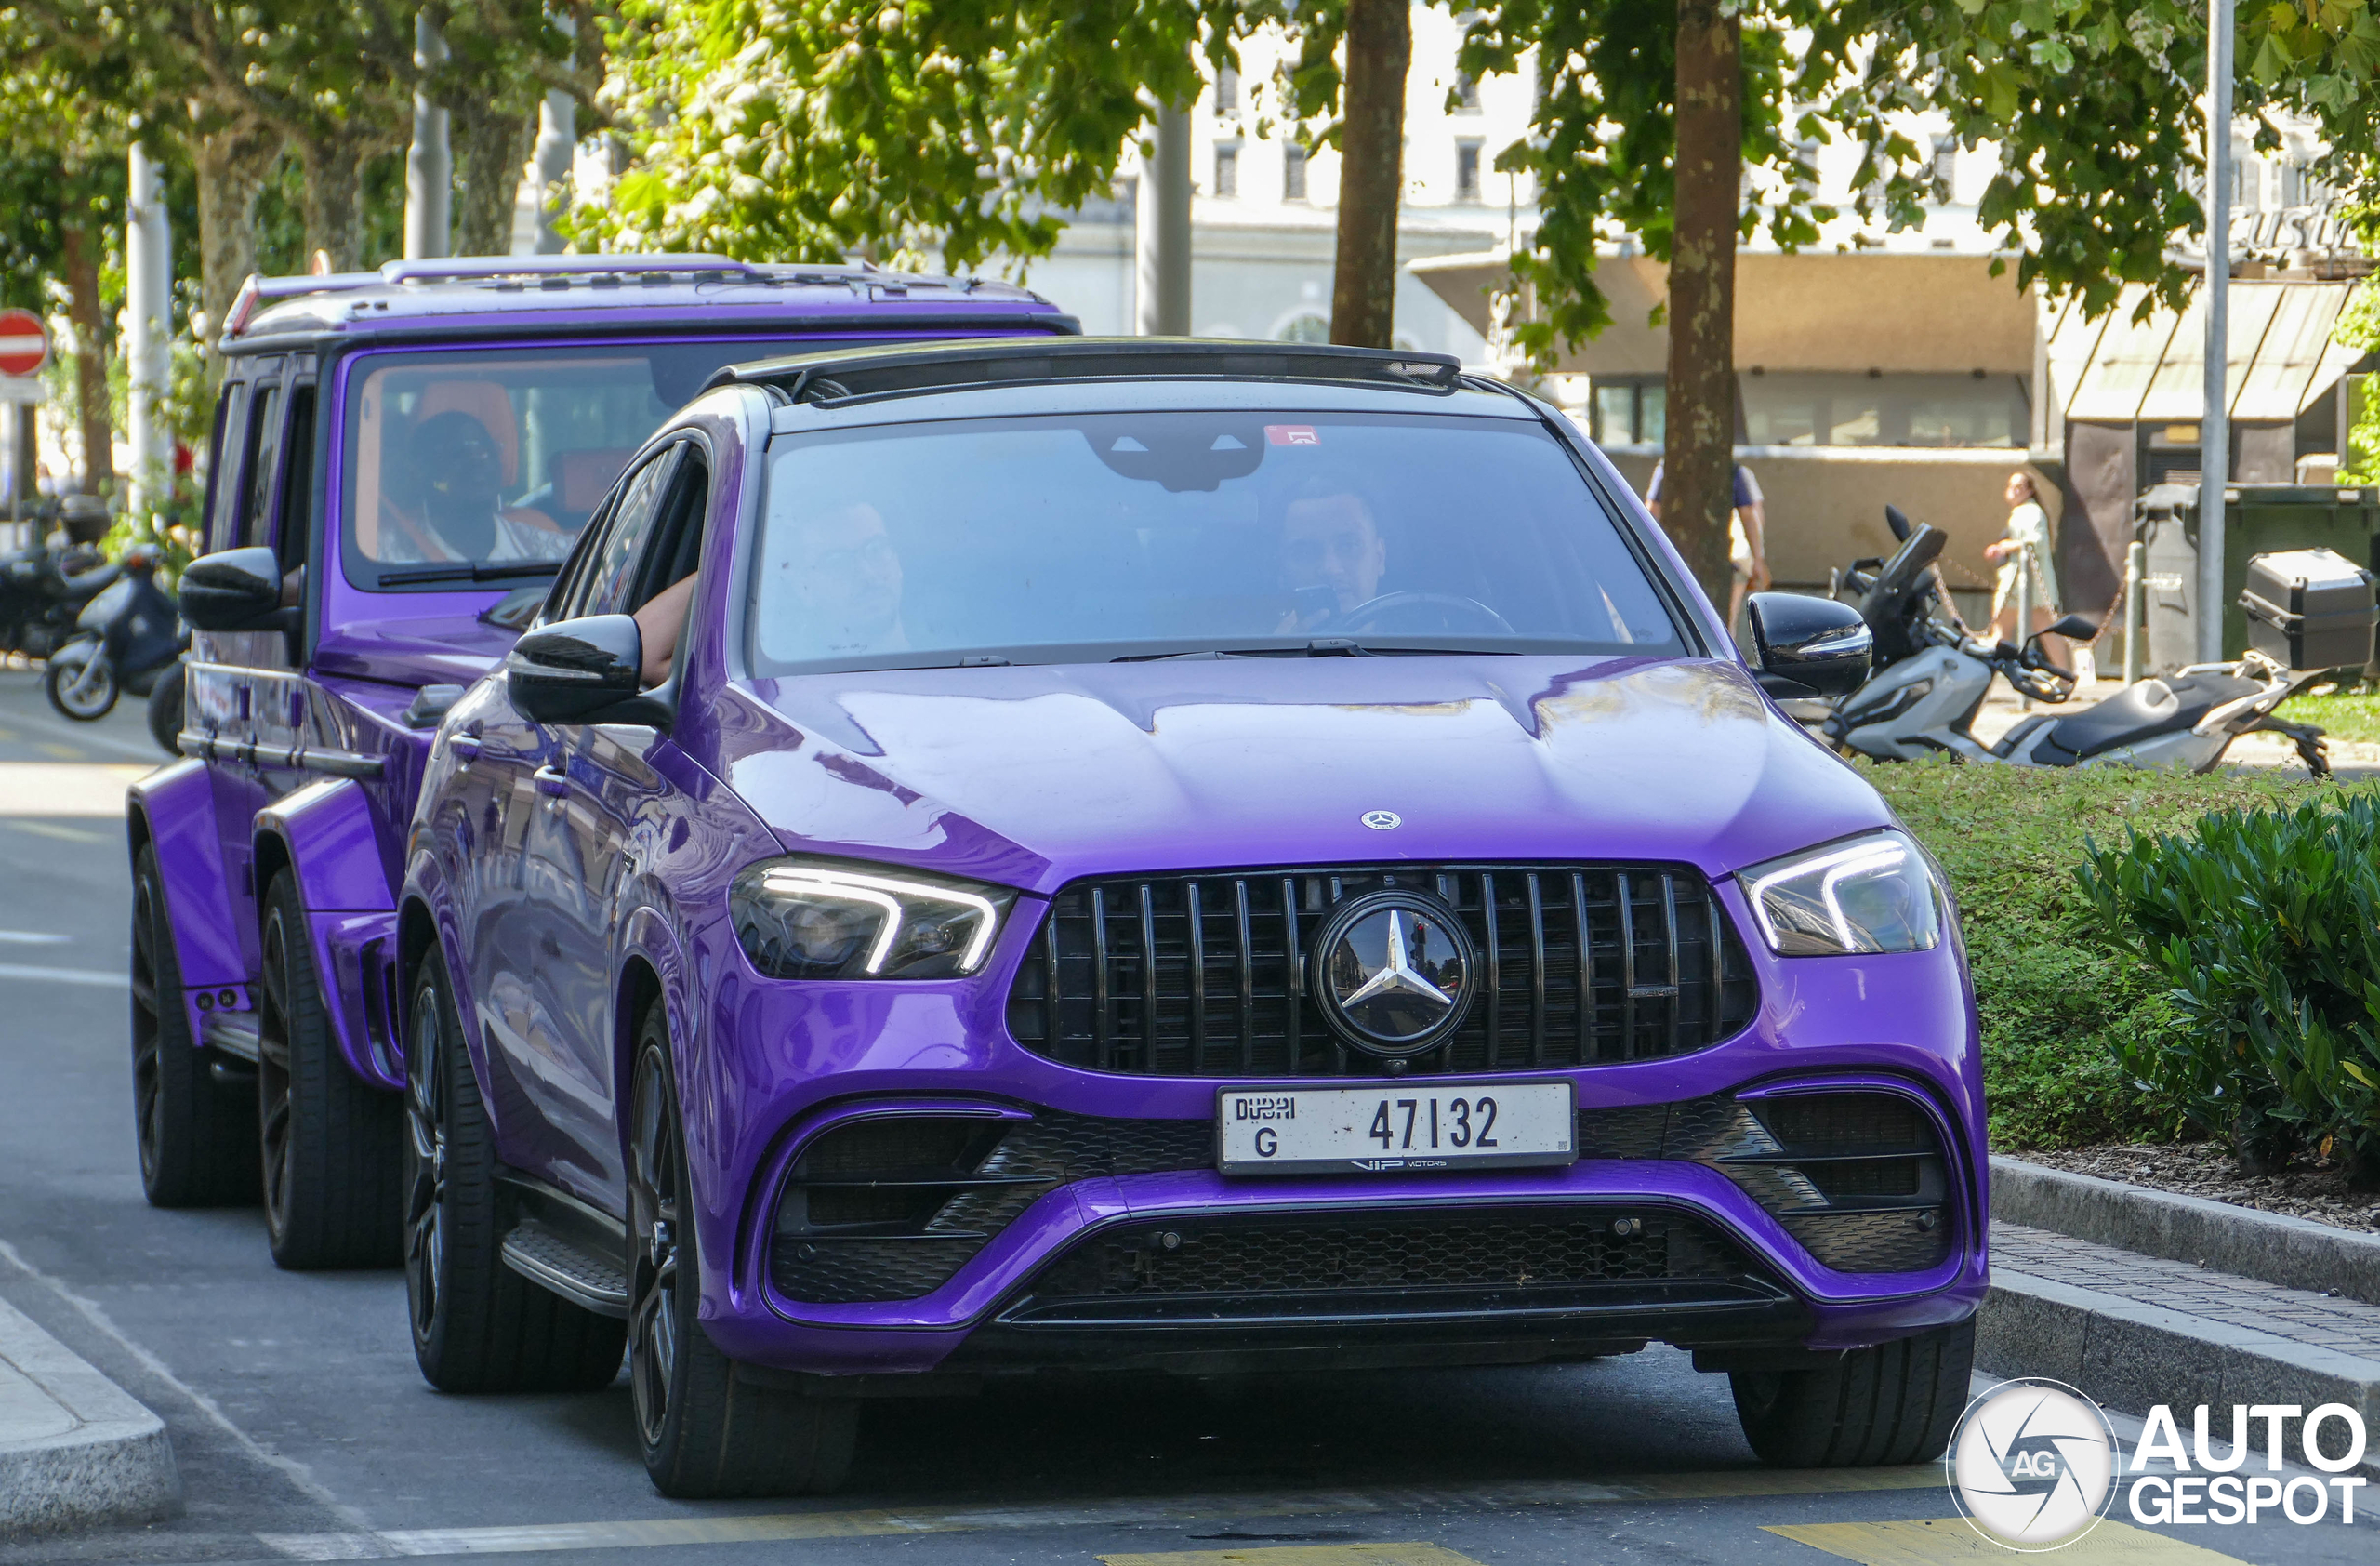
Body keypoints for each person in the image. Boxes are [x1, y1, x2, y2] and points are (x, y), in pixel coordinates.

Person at [377, 411, 571, 564]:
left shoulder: (552, 552)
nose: (477, 463)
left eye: (485, 451)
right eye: (457, 454)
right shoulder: (382, 555)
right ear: (420, 472)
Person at [749, 496, 908, 670]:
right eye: (837, 562)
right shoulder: (792, 681)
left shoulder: (942, 645)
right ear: (804, 589)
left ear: (898, 561)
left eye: (876, 549)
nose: (867, 573)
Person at [1644, 459, 1768, 627]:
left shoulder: (1671, 466)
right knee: (1723, 623)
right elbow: (1749, 517)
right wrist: (1758, 560)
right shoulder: (1729, 469)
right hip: (1718, 559)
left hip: (1679, 556)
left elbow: (1652, 511)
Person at [1276, 483, 1387, 631]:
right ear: (1282, 570)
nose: (1330, 568)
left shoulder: (1423, 644)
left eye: (1349, 546)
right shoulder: (1245, 646)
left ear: (1379, 557)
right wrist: (1282, 650)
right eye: (1306, 553)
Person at [1986, 471, 2062, 663]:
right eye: (2011, 486)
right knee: (2003, 627)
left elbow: (2039, 542)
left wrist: (2009, 546)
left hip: (2027, 584)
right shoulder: (2022, 512)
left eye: (2019, 487)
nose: (2013, 490)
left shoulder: (2031, 512)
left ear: (2029, 491)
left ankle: (1989, 674)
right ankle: (2066, 675)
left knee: (2007, 628)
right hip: (2019, 582)